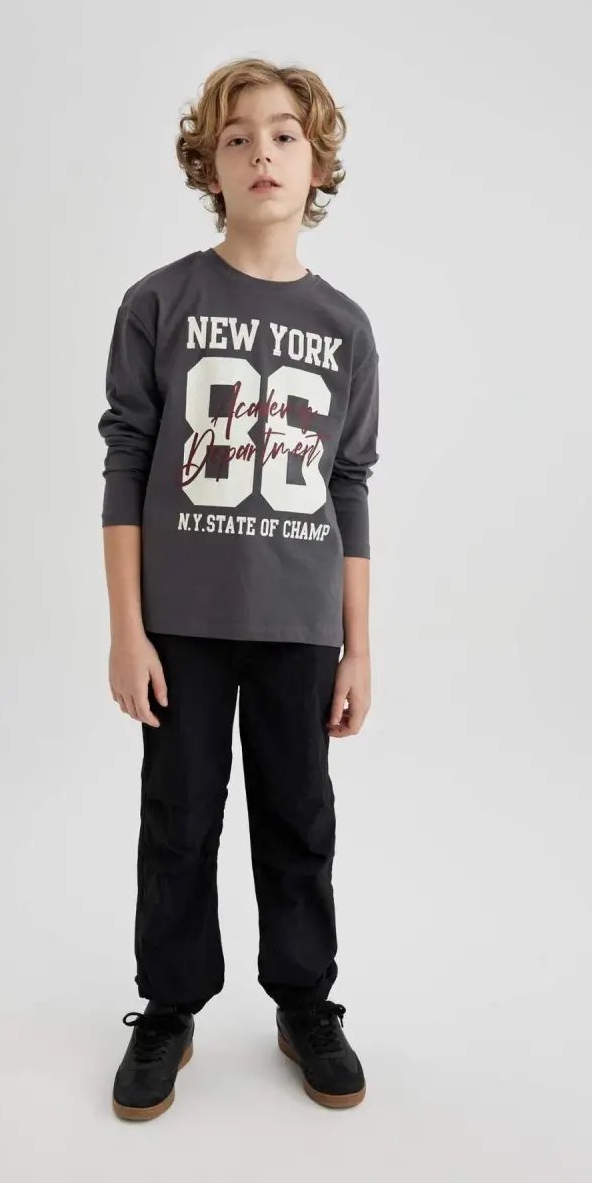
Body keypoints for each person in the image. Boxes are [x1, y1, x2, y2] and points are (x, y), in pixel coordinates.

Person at [98, 57, 381, 1121]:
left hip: (299, 624)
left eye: (284, 135)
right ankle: (168, 1008)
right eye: (237, 137)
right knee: (178, 818)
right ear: (207, 166)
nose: (262, 152)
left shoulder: (344, 327)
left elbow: (348, 485)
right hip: (181, 623)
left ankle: (305, 1001)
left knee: (299, 816)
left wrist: (358, 646)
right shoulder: (159, 301)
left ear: (317, 166)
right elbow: (127, 460)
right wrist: (126, 630)